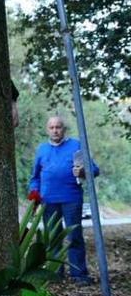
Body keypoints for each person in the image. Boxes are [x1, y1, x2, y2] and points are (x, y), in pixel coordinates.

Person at [28, 115, 99, 285]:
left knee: (74, 235)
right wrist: (34, 193)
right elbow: (35, 177)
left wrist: (82, 172)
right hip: (48, 200)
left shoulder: (76, 146)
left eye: (58, 127)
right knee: (53, 237)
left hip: (71, 198)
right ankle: (55, 274)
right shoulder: (42, 149)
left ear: (64, 129)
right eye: (51, 127)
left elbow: (94, 169)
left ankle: (79, 274)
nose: (55, 130)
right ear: (47, 130)